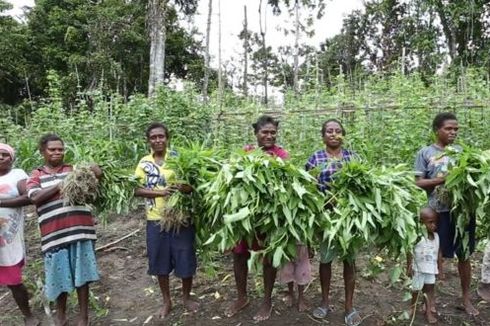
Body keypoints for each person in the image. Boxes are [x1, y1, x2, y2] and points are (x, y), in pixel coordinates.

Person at [26, 134, 101, 326]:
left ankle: (83, 318)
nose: (57, 152)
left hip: (80, 231)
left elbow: (97, 177)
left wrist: (94, 169)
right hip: (54, 236)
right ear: (42, 151)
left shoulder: (74, 169)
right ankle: (61, 317)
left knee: (82, 277)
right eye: (52, 149)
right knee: (59, 278)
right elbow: (35, 198)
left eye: (60, 149)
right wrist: (62, 184)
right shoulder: (36, 175)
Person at [225, 115, 290, 321]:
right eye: (265, 132)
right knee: (239, 255)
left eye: (272, 132)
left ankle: (267, 301)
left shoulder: (281, 155)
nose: (269, 136)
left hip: (269, 218)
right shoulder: (246, 152)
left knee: (268, 258)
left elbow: (287, 181)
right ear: (256, 134)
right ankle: (242, 296)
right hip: (246, 217)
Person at [414, 112, 479, 316]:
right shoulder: (425, 153)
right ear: (437, 130)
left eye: (456, 129)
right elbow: (417, 182)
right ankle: (430, 303)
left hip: (462, 213)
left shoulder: (462, 153)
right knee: (433, 257)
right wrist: (442, 180)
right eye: (448, 128)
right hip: (437, 213)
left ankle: (465, 299)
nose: (453, 132)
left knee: (464, 255)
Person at [134, 122, 198, 319]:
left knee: (185, 257)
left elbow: (193, 185)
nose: (157, 140)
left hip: (181, 218)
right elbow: (136, 189)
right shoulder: (144, 163)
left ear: (167, 138)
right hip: (156, 219)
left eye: (161, 136)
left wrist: (184, 187)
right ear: (148, 141)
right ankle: (166, 300)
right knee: (159, 260)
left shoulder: (178, 157)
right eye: (153, 137)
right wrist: (161, 192)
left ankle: (186, 298)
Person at [308, 119, 362, 326]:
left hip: (349, 218)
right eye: (329, 131)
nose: (334, 134)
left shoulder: (352, 157)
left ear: (343, 135)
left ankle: (349, 306)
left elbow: (362, 185)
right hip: (326, 218)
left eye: (338, 131)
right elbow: (309, 187)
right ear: (323, 136)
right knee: (325, 260)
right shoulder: (316, 158)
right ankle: (324, 301)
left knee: (350, 260)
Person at [0, 143, 39, 326]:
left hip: (8, 238)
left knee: (13, 279)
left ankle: (28, 315)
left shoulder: (17, 175)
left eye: (4, 154)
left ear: (11, 158)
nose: (0, 157)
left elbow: (29, 197)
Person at [407, 207, 441, 324]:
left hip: (431, 269)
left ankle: (428, 311)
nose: (434, 225)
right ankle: (412, 306)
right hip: (419, 269)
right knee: (416, 289)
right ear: (421, 223)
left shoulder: (436, 237)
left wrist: (440, 269)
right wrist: (409, 265)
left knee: (429, 291)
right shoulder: (417, 236)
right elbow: (409, 249)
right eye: (430, 222)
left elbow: (439, 253)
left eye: (436, 222)